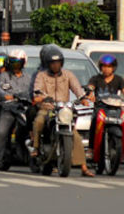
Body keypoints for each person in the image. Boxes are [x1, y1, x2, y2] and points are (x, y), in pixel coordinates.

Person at [32, 45, 94, 177]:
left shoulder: (68, 75)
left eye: (58, 63)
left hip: (64, 110)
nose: (56, 65)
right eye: (53, 63)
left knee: (75, 135)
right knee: (39, 121)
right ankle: (36, 148)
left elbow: (77, 88)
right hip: (48, 108)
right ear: (48, 64)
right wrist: (41, 97)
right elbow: (37, 91)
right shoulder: (41, 76)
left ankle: (83, 167)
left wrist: (83, 98)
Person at [86, 54, 124, 177]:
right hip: (101, 109)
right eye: (104, 66)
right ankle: (91, 148)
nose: (106, 69)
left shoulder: (119, 80)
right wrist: (90, 93)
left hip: (115, 109)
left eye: (109, 67)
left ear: (113, 68)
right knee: (94, 120)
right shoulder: (96, 79)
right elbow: (90, 87)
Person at [0, 49, 30, 170]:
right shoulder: (4, 75)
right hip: (8, 108)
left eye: (18, 63)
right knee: (2, 131)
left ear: (23, 63)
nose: (15, 66)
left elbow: (31, 91)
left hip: (24, 107)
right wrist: (7, 96)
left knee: (32, 130)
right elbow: (1, 90)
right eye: (13, 62)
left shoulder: (28, 77)